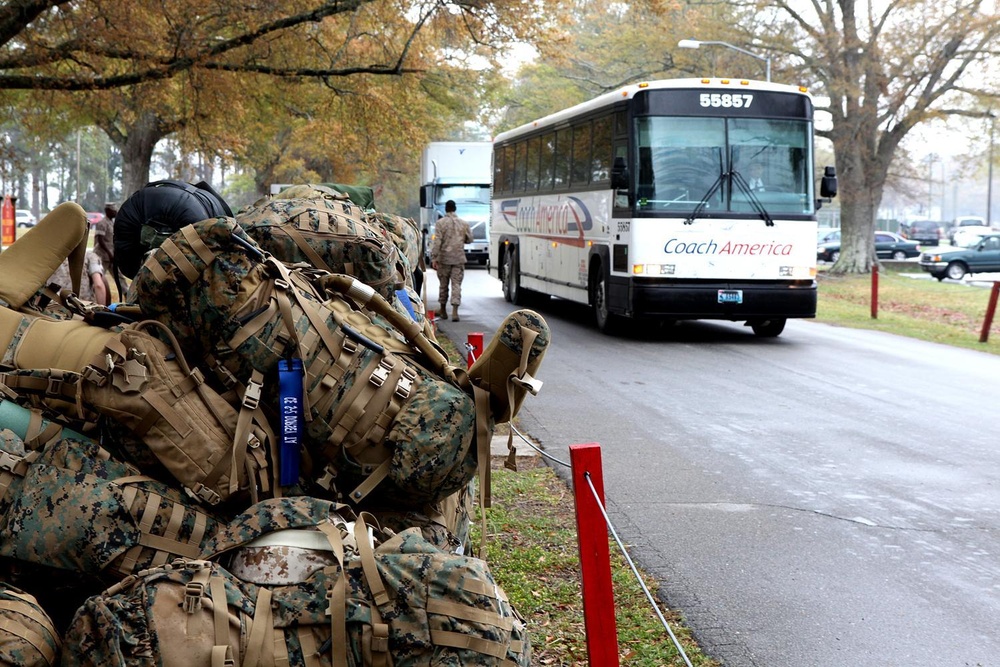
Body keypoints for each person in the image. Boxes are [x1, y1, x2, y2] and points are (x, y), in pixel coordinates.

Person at [430, 200, 473, 322]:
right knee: (456, 285)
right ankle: (455, 312)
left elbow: (437, 241)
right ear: (455, 209)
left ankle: (443, 310)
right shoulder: (463, 223)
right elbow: (470, 239)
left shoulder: (440, 223)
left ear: (446, 209)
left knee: (443, 285)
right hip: (458, 258)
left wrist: (434, 257)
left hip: (444, 259)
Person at [92, 202, 116, 304]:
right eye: (113, 210)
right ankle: (94, 298)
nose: (116, 212)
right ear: (107, 211)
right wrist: (109, 253)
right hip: (101, 256)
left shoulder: (112, 223)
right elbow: (100, 240)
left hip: (111, 256)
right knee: (99, 278)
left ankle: (127, 295)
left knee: (119, 278)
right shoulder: (102, 223)